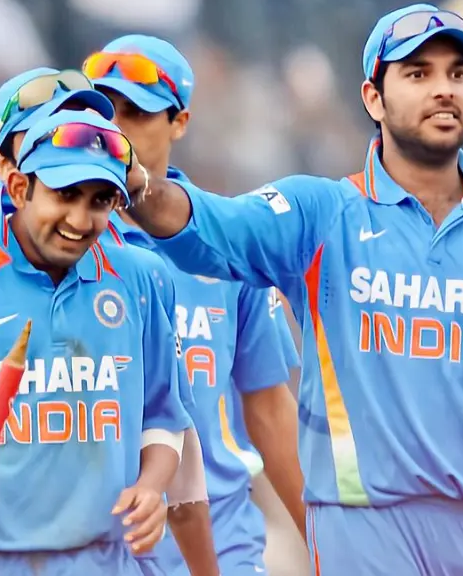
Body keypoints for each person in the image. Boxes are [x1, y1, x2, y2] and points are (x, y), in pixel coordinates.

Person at [117, 4, 463, 575]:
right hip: (364, 524)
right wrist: (139, 187)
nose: (443, 89)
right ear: (373, 98)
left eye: (458, 74)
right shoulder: (321, 212)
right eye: (418, 74)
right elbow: (210, 226)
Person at [0, 67, 218, 575]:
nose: (80, 222)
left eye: (100, 200)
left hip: (109, 561)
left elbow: (164, 417)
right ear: (14, 180)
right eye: (63, 194)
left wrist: (150, 487)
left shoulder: (142, 277)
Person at [83, 36, 306, 576]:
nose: (118, 126)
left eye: (138, 111)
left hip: (222, 543)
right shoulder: (69, 241)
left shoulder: (226, 244)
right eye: (105, 109)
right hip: (99, 546)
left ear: (179, 122)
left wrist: (322, 535)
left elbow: (269, 408)